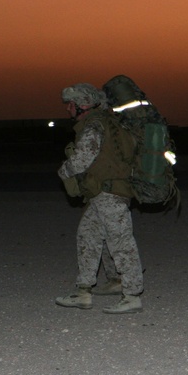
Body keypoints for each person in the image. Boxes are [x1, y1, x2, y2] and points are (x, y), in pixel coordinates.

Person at [54, 83, 144, 314]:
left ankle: (132, 295)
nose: (68, 109)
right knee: (88, 235)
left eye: (71, 105)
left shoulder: (94, 124)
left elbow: (84, 158)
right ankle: (83, 292)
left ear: (82, 104)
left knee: (121, 243)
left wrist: (64, 170)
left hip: (110, 193)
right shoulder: (110, 121)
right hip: (105, 193)